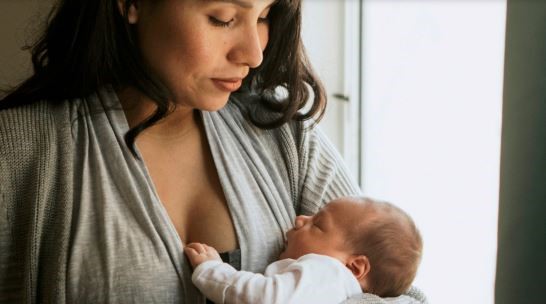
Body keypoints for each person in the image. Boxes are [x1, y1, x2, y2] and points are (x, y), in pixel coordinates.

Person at [0, 0, 425, 303]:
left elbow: (398, 292)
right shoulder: (20, 149)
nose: (254, 54)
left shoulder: (282, 134)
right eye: (223, 18)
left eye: (264, 15)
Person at [184, 197, 423, 304]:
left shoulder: (329, 274)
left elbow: (265, 297)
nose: (300, 219)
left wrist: (213, 271)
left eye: (317, 224)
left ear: (355, 267)